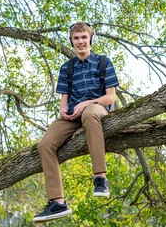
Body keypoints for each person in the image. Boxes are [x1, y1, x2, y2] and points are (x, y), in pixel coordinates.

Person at [33, 22, 119, 223]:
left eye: (83, 38)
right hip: (74, 116)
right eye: (76, 38)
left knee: (89, 113)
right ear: (71, 41)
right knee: (45, 144)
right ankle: (58, 202)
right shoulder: (66, 68)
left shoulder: (103, 62)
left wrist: (86, 104)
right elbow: (64, 102)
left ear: (90, 39)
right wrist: (65, 112)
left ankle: (100, 177)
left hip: (97, 110)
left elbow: (110, 98)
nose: (80, 42)